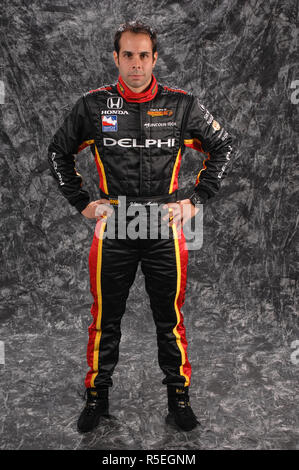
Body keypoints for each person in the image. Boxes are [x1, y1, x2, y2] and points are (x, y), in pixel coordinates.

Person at [47, 20, 233, 434]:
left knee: (170, 318)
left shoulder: (182, 104)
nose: (135, 64)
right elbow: (58, 152)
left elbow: (223, 145)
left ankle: (179, 400)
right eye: (127, 55)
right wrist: (82, 204)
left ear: (154, 58)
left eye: (143, 55)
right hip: (114, 227)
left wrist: (195, 201)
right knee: (105, 318)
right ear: (116, 58)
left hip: (164, 228)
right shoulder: (93, 106)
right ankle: (97, 399)